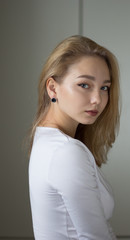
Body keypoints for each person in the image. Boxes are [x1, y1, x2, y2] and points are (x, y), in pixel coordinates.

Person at [28, 35, 120, 240]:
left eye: (104, 87)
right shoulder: (65, 151)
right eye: (84, 85)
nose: (97, 99)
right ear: (53, 88)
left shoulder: (45, 139)